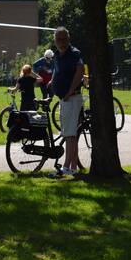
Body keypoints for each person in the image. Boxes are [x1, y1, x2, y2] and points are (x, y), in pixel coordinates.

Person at [49, 27, 85, 177]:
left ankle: (66, 167)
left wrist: (70, 91)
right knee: (70, 134)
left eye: (64, 39)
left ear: (68, 39)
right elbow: (57, 71)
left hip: (71, 98)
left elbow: (80, 70)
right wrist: (52, 82)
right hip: (63, 99)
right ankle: (73, 167)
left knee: (70, 134)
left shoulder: (74, 53)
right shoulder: (57, 55)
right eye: (59, 39)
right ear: (55, 40)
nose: (62, 42)